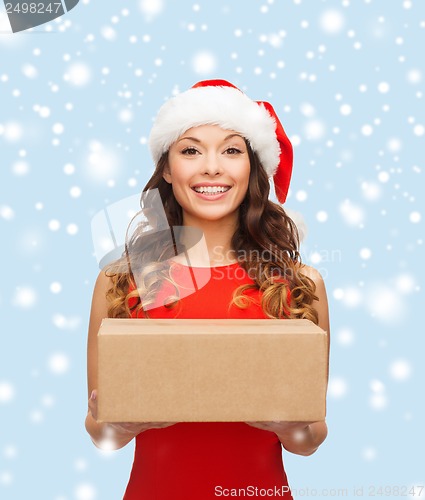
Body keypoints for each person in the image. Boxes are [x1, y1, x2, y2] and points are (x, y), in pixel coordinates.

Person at [85, 79, 330, 499]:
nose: (212, 167)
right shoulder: (122, 281)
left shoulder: (298, 284)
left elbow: (310, 439)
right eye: (191, 149)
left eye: (232, 150)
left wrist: (291, 427)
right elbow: (101, 435)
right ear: (166, 167)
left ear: (252, 167)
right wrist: (119, 425)